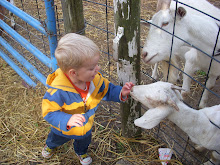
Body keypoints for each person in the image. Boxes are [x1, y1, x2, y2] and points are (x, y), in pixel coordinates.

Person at [41, 33, 134, 165]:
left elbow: (107, 90)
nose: (98, 69)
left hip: (85, 125)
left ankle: (81, 152)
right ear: (73, 72)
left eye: (96, 65)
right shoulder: (58, 91)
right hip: (63, 129)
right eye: (92, 68)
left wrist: (121, 92)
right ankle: (50, 146)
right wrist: (67, 120)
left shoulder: (95, 81)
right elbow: (49, 112)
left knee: (84, 140)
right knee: (55, 139)